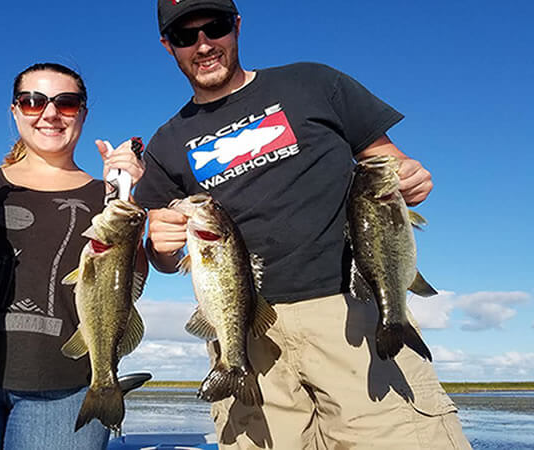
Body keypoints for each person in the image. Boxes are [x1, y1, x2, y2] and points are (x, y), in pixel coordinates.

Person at [134, 1, 471, 448]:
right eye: (184, 36)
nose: (203, 44)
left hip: (349, 313)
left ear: (236, 26)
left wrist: (409, 174)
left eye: (214, 27)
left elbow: (387, 161)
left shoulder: (312, 82)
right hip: (245, 329)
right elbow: (161, 251)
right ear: (167, 46)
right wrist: (160, 245)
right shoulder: (165, 143)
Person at [0, 62, 145, 449]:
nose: (50, 113)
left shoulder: (107, 199)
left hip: (64, 387)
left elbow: (127, 287)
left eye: (66, 103)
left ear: (83, 113)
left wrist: (125, 199)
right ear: (15, 110)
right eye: (33, 101)